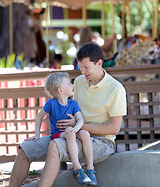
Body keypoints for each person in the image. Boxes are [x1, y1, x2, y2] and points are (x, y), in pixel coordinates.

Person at [9, 42, 127, 187]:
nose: (82, 71)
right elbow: (71, 110)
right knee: (26, 149)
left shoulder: (116, 88)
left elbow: (114, 129)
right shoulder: (78, 82)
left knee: (56, 145)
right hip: (71, 134)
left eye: (86, 67)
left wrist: (79, 126)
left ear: (99, 63)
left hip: (101, 143)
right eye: (80, 67)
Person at [25, 72, 96, 185]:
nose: (72, 85)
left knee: (85, 134)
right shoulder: (51, 103)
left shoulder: (73, 103)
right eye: (69, 84)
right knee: (70, 134)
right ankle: (78, 170)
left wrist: (75, 129)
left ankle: (91, 170)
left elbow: (80, 120)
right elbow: (39, 116)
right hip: (58, 134)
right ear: (60, 90)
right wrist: (37, 134)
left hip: (72, 130)